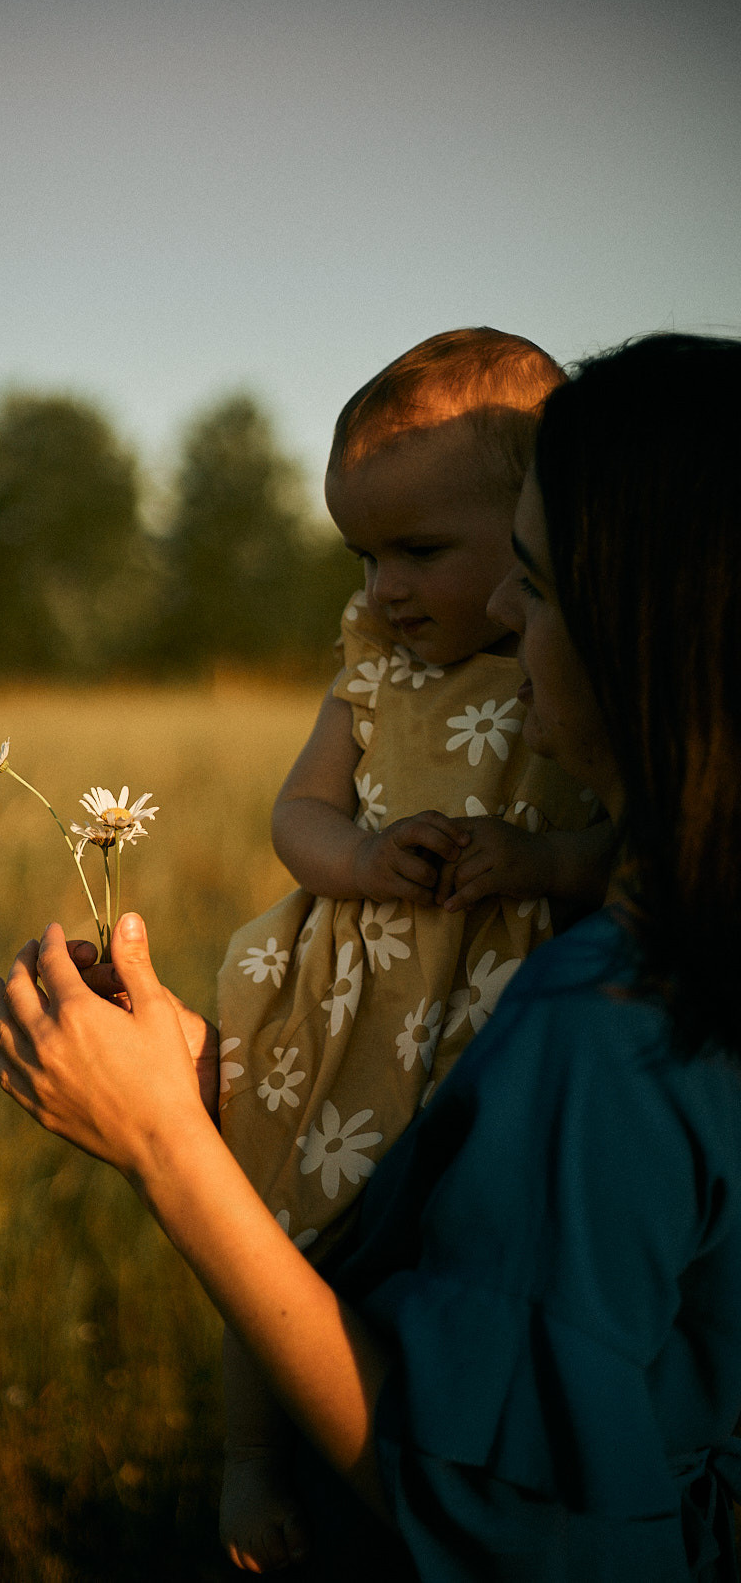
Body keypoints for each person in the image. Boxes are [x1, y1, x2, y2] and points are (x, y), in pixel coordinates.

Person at [0, 333, 741, 1580]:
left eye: (538, 582)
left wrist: (167, 1144)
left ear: (644, 632)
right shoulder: (687, 942)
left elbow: (491, 1515)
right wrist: (219, 1076)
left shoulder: (605, 1028)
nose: (502, 613)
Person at [217, 328, 614, 1571]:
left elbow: (633, 846)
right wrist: (362, 858)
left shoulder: (579, 669)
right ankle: (249, 1459)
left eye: (421, 551)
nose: (385, 586)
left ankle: (445, 1473)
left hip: (506, 1018)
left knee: (462, 1264)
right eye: (365, 555)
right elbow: (298, 813)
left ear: (539, 523)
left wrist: (544, 863)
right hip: (367, 1002)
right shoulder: (374, 667)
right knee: (277, 1217)